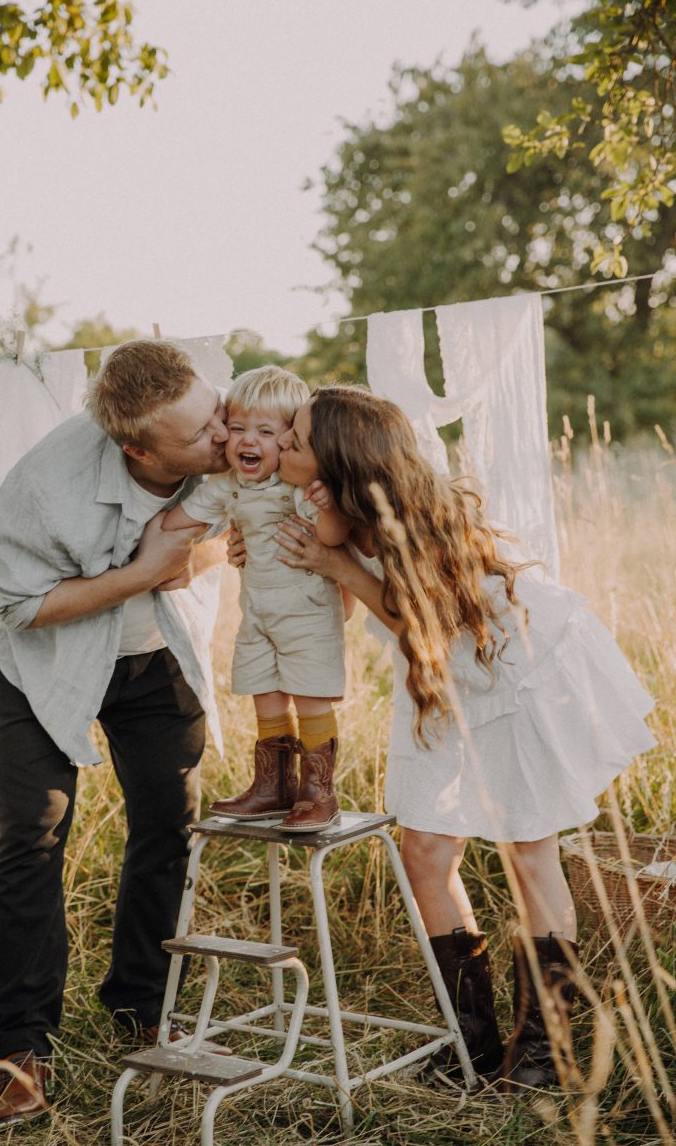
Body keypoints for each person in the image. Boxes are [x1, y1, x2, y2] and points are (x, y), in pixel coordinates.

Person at [270, 384, 655, 1089]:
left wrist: (341, 568)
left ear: (337, 461)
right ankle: (470, 1040)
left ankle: (547, 1052)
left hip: (512, 672)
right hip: (443, 685)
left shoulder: (413, 514)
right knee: (423, 850)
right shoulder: (325, 501)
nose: (282, 446)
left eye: (295, 438)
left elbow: (431, 619)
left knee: (528, 853)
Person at [0, 338, 234, 1126]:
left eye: (214, 413)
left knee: (170, 823)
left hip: (156, 656)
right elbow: (23, 605)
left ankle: (142, 1004)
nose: (221, 438)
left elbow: (255, 518)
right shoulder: (40, 489)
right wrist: (142, 571)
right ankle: (22, 1047)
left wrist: (193, 558)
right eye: (197, 437)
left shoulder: (231, 431)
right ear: (137, 448)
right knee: (35, 832)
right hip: (43, 663)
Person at [160, 365, 352, 832]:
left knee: (309, 700)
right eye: (239, 428)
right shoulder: (228, 486)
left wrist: (326, 507)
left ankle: (318, 792)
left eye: (266, 431)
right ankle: (273, 788)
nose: (249, 441)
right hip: (259, 615)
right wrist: (156, 539)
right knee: (265, 696)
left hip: (306, 615)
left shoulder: (299, 487)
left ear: (289, 440)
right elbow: (179, 520)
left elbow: (334, 535)